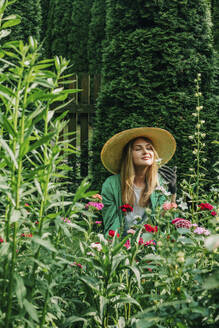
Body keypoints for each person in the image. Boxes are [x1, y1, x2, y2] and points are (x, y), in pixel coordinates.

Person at [100, 127, 177, 236]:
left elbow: (164, 222)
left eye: (149, 148)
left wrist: (172, 193)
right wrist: (120, 247)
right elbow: (111, 223)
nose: (145, 152)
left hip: (150, 242)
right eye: (138, 149)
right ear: (129, 155)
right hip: (121, 243)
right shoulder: (111, 184)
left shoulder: (159, 184)